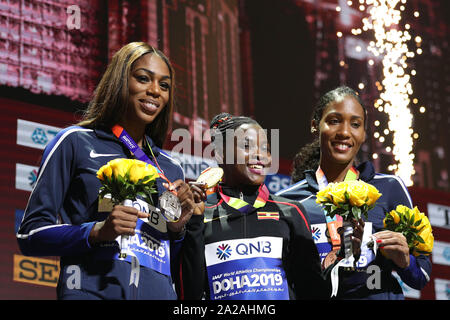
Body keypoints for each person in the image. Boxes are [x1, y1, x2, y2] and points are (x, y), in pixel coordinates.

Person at [16, 42, 200, 300]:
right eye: (144, 79)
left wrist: (178, 230)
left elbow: (177, 263)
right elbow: (30, 234)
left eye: (164, 85)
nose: (155, 91)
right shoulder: (75, 142)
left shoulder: (170, 167)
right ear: (120, 81)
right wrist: (96, 232)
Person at [176, 113, 363, 300]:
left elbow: (312, 291)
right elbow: (189, 295)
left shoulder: (291, 211)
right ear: (220, 153)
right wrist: (194, 221)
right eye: (247, 145)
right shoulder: (202, 214)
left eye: (265, 148)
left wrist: (344, 257)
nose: (260, 154)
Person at [276, 86, 432, 299]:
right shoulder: (288, 201)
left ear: (363, 133)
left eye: (355, 124)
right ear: (315, 125)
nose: (345, 132)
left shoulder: (389, 188)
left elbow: (421, 276)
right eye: (334, 121)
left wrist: (405, 261)